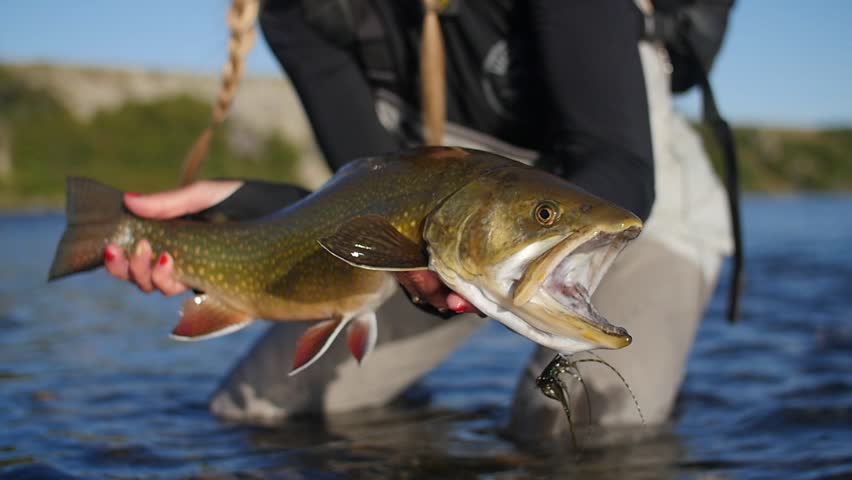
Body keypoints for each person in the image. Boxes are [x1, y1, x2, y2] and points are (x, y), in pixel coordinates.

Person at [104, 0, 734, 443]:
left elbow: (617, 158)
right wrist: (257, 206)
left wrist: (514, 241)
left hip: (618, 206)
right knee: (256, 408)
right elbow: (364, 188)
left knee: (581, 434)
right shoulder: (298, 10)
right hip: (435, 227)